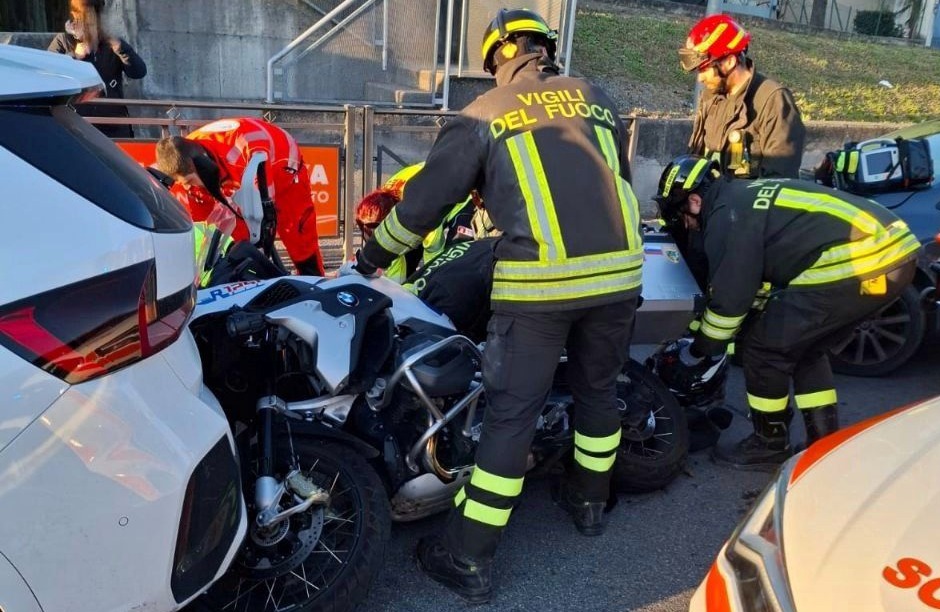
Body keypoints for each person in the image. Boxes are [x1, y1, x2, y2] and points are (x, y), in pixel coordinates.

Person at [340, 8, 643, 603]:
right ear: (545, 48)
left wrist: (373, 257)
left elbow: (424, 204)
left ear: (497, 59)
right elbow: (617, 180)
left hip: (540, 288)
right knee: (598, 394)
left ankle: (466, 555)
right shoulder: (597, 99)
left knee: (510, 417)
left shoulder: (482, 115)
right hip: (619, 277)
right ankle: (588, 504)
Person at [654, 154, 920, 470]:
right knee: (806, 349)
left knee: (763, 349)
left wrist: (700, 351)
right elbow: (761, 282)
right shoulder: (743, 195)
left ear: (694, 202)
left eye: (684, 218)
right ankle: (823, 445)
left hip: (860, 260)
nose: (689, 227)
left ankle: (769, 445)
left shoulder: (726, 217)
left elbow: (730, 303)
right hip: (895, 252)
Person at [155, 117, 324, 276]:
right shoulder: (183, 156)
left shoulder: (247, 150)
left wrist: (260, 248)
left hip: (284, 173)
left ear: (203, 164)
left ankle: (313, 280)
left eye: (189, 180)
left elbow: (264, 214)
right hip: (235, 169)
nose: (186, 186)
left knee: (299, 237)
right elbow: (204, 228)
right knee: (237, 245)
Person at [680, 14, 805, 180]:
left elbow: (779, 181)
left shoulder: (773, 100)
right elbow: (697, 156)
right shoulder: (711, 96)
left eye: (703, 69)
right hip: (711, 203)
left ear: (729, 62)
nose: (700, 78)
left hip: (746, 205)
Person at [355, 162, 479, 283]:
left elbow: (433, 248)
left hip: (463, 194)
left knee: (455, 256)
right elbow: (393, 251)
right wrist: (394, 291)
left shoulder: (420, 205)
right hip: (435, 188)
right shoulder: (384, 198)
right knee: (404, 246)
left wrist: (431, 282)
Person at [48, 0, 146, 139]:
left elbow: (139, 72)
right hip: (75, 125)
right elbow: (48, 76)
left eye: (93, 18)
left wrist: (121, 49)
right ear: (74, 16)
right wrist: (74, 56)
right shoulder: (64, 41)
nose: (89, 22)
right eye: (84, 17)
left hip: (114, 126)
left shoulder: (110, 43)